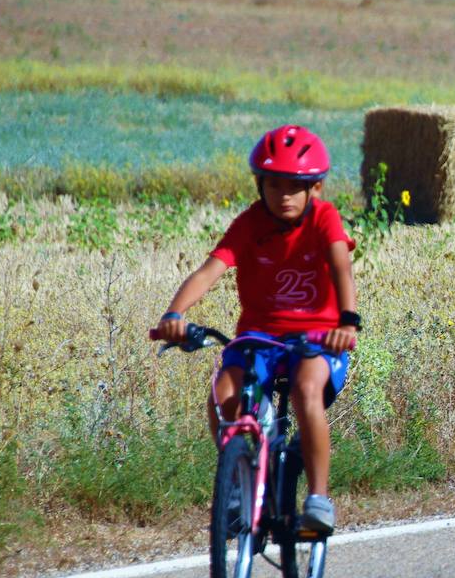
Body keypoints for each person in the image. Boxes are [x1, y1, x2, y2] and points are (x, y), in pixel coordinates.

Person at [152, 125, 358, 534]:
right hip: (259, 338)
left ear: (314, 188)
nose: (283, 195)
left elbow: (340, 264)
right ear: (259, 184)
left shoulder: (324, 219)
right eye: (273, 184)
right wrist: (174, 315)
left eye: (294, 186)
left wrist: (346, 321)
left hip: (318, 338)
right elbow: (208, 271)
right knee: (222, 394)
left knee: (305, 388)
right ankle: (237, 481)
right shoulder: (249, 223)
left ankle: (318, 499)